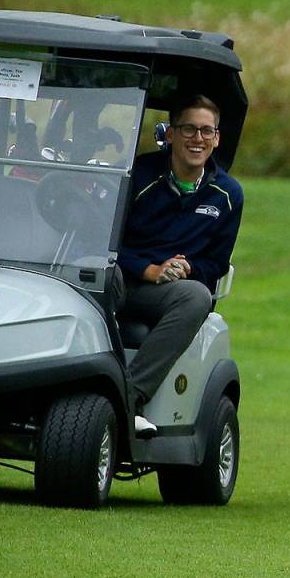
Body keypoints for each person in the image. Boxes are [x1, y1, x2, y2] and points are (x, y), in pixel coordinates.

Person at [115, 94, 244, 437]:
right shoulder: (139, 174)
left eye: (206, 131)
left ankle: (129, 397)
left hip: (169, 291)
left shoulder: (227, 194)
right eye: (188, 129)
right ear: (170, 134)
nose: (197, 139)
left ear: (217, 138)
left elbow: (215, 262)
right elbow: (107, 243)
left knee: (197, 297)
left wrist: (184, 269)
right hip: (122, 278)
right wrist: (149, 269)